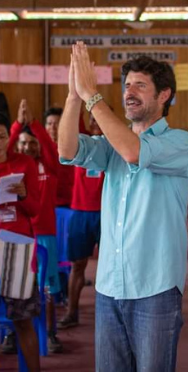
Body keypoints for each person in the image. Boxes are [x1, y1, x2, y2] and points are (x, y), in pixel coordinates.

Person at [58, 44, 188, 372]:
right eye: (126, 86)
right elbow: (66, 148)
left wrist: (92, 95)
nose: (129, 92)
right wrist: (74, 96)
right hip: (109, 287)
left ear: (164, 95)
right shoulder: (110, 146)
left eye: (140, 86)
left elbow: (134, 152)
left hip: (155, 287)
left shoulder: (181, 142)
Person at [0, 109, 42, 371]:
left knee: (23, 320)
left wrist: (23, 196)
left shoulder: (24, 164)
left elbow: (35, 209)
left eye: (2, 136)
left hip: (18, 248)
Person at [9, 99, 64, 353]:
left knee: (48, 288)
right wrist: (18, 124)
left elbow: (52, 149)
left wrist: (32, 123)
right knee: (12, 286)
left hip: (45, 236)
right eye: (23, 143)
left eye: (32, 143)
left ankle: (51, 333)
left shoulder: (49, 164)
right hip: (16, 235)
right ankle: (11, 334)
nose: (28, 146)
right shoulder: (12, 166)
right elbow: (5, 146)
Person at [58, 115, 104, 330]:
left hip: (106, 213)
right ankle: (71, 311)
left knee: (110, 267)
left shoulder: (113, 145)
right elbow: (73, 120)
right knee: (78, 266)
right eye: (92, 119)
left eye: (100, 119)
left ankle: (112, 313)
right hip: (80, 212)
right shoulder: (80, 142)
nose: (96, 123)